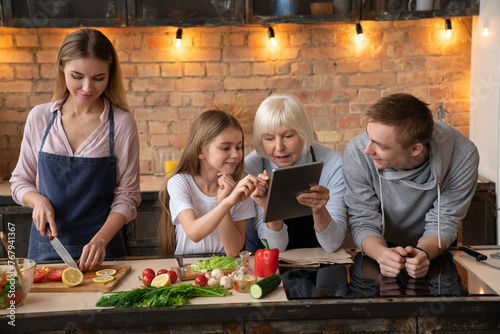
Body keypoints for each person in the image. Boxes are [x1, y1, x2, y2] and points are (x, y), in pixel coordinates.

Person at [10, 28, 141, 271]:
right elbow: (20, 180)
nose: (87, 87)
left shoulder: (121, 124)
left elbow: (128, 196)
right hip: (45, 252)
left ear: (110, 74)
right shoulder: (40, 117)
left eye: (98, 78)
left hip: (104, 253)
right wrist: (37, 200)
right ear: (62, 67)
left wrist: (101, 239)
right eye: (77, 76)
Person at [343, 93, 479, 279]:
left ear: (415, 149)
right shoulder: (357, 152)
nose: (367, 150)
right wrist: (381, 253)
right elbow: (362, 219)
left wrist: (423, 253)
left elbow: (445, 220)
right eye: (368, 136)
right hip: (377, 247)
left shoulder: (463, 156)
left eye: (380, 146)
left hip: (435, 247)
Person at [245, 94, 347, 253]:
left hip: (320, 257)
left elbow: (332, 244)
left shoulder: (332, 162)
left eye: (288, 136)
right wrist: (267, 206)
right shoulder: (251, 167)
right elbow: (275, 247)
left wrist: (319, 210)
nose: (279, 147)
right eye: (270, 138)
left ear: (304, 133)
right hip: (268, 261)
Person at [158, 110, 258, 257]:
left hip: (225, 270)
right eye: (225, 148)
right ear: (200, 151)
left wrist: (224, 200)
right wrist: (226, 203)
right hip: (188, 266)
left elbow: (233, 250)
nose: (236, 154)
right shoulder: (179, 182)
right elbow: (194, 233)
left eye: (239, 147)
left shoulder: (240, 189)